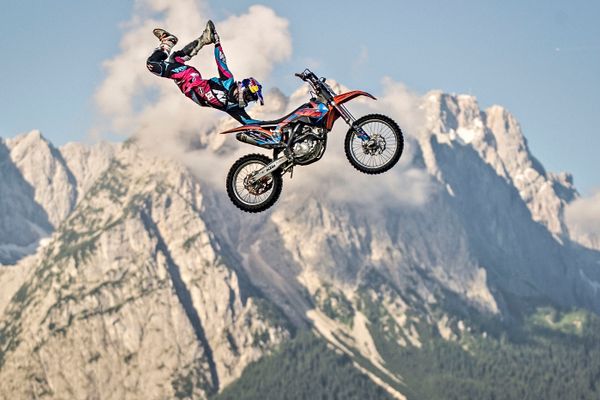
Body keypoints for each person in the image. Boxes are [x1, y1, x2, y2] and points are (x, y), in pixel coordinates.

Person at [146, 21, 263, 124]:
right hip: (188, 76)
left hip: (186, 87)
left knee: (175, 59)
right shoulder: (228, 81)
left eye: (250, 99)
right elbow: (221, 61)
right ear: (243, 88)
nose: (248, 100)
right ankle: (168, 42)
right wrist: (217, 43)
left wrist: (276, 129)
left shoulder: (234, 108)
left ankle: (203, 38)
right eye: (248, 96)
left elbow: (249, 123)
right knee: (152, 64)